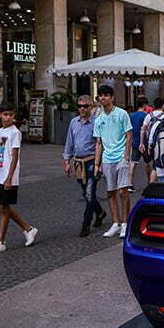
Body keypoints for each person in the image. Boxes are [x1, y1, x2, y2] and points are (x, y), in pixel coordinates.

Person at [0, 102, 38, 255]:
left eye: (11, 114)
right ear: (0, 115)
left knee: (4, 207)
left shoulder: (15, 132)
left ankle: (0, 242)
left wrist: (9, 178)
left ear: (14, 115)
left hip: (9, 175)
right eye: (5, 114)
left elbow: (15, 156)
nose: (8, 117)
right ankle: (28, 229)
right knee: (4, 207)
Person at [93, 84, 133, 238]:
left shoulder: (122, 114)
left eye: (106, 95)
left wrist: (126, 157)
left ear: (112, 97)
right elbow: (98, 142)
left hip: (121, 157)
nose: (103, 98)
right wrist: (97, 164)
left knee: (123, 191)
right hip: (107, 158)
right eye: (101, 95)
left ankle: (125, 222)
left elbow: (129, 135)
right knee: (110, 192)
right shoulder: (99, 118)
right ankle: (115, 223)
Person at [64, 95, 106, 237]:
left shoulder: (96, 122)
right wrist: (66, 160)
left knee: (89, 193)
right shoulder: (73, 122)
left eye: (85, 106)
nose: (82, 109)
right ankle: (100, 212)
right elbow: (69, 141)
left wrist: (99, 164)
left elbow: (101, 144)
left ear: (91, 107)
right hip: (78, 163)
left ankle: (85, 224)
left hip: (92, 161)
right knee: (86, 193)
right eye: (80, 106)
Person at [128, 97, 149, 192]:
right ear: (144, 105)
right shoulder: (145, 115)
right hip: (144, 142)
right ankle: (150, 182)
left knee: (133, 163)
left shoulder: (131, 115)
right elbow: (146, 129)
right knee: (148, 163)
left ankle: (130, 183)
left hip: (134, 141)